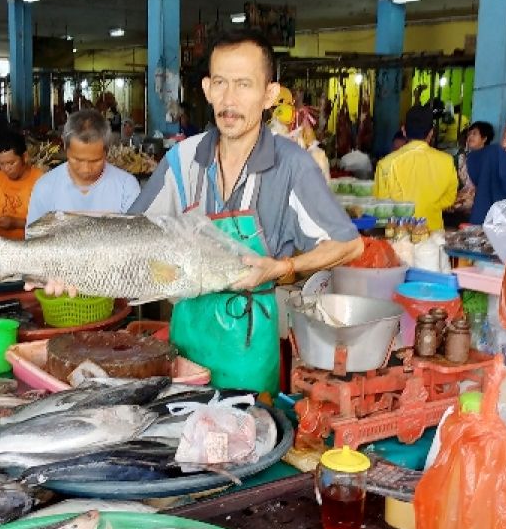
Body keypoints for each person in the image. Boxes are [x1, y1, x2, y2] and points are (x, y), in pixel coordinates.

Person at [125, 28, 362, 393]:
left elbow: (349, 244)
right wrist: (73, 271)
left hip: (247, 346)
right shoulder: (182, 159)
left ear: (269, 94)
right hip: (187, 336)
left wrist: (284, 267)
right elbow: (129, 237)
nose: (229, 99)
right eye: (220, 82)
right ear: (206, 88)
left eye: (244, 84)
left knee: (247, 440)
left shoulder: (292, 166)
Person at [25, 109, 138, 225]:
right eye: (77, 160)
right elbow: (34, 237)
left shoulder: (126, 187)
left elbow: (137, 236)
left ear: (107, 151)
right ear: (65, 147)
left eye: (95, 161)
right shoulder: (45, 187)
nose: (86, 169)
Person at [373, 104, 458, 231]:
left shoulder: (385, 164)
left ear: (404, 130)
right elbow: (449, 199)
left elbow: (382, 205)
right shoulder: (447, 161)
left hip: (400, 235)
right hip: (433, 234)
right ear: (431, 132)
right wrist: (428, 206)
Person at [464, 120, 506, 226]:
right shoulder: (470, 157)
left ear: (484, 138)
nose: (470, 137)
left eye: (474, 134)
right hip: (483, 198)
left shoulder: (495, 151)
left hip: (496, 195)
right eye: (469, 134)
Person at [0, 133, 43, 240]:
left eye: (11, 163)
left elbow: (49, 223)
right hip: (0, 246)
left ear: (24, 157)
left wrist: (15, 223)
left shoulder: (41, 181)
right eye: (1, 164)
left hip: (32, 245)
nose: (6, 169)